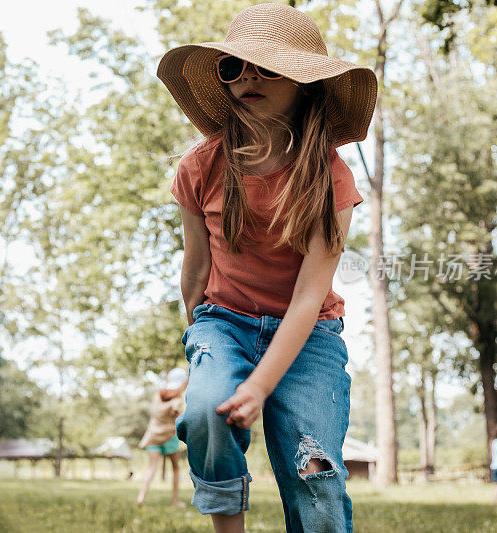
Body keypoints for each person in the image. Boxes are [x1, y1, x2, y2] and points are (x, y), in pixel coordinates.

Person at [156, 4, 377, 532]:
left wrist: (259, 386)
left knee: (316, 468)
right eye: (234, 66)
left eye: (267, 66)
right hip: (223, 322)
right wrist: (205, 343)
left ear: (305, 83)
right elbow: (195, 268)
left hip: (310, 335)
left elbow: (308, 295)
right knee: (208, 408)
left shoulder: (331, 178)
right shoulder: (201, 167)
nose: (248, 77)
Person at [136, 367, 189, 508]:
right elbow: (180, 421)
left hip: (153, 435)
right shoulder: (176, 401)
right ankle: (175, 502)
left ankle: (141, 496)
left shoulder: (157, 396)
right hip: (169, 437)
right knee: (176, 468)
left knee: (151, 468)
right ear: (183, 384)